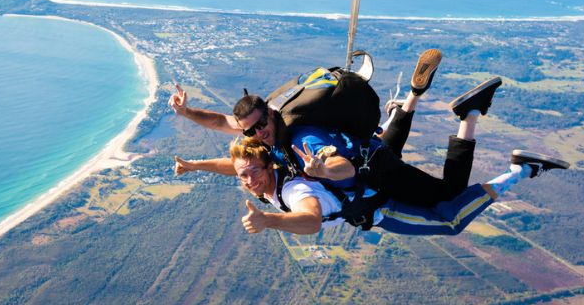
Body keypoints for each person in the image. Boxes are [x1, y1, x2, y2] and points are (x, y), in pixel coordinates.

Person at [170, 49, 501, 207]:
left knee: (449, 195)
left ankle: (468, 115)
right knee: (389, 147)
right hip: (372, 147)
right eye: (249, 131)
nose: (258, 134)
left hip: (377, 170)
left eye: (261, 125)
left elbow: (342, 166)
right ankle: (414, 94)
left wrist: (323, 170)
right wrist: (186, 112)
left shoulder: (302, 138)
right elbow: (219, 121)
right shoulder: (264, 132)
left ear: (270, 113)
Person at [177, 136, 568, 236]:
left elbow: (311, 221)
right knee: (448, 193)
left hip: (382, 210)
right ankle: (403, 109)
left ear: (267, 165)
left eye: (252, 172)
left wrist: (269, 221)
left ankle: (520, 171)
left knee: (450, 221)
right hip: (372, 188)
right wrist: (195, 165)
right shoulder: (270, 169)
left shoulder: (294, 191)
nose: (247, 179)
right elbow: (234, 164)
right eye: (243, 174)